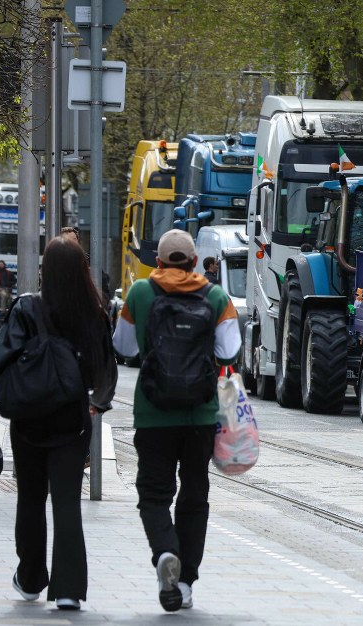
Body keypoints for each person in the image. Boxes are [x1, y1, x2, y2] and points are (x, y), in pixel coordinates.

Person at [0, 235, 117, 611]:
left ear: (45, 270)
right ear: (82, 270)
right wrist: (97, 404)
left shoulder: (26, 309)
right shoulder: (94, 311)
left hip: (29, 419)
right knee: (67, 501)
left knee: (31, 499)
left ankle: (31, 577)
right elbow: (106, 366)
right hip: (72, 419)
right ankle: (68, 589)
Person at [112, 229, 241, 612]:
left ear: (160, 262)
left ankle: (166, 552)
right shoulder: (216, 296)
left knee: (153, 495)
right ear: (196, 263)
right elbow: (229, 350)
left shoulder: (139, 292)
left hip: (153, 414)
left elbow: (123, 347)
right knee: (194, 495)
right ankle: (184, 583)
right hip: (200, 414)